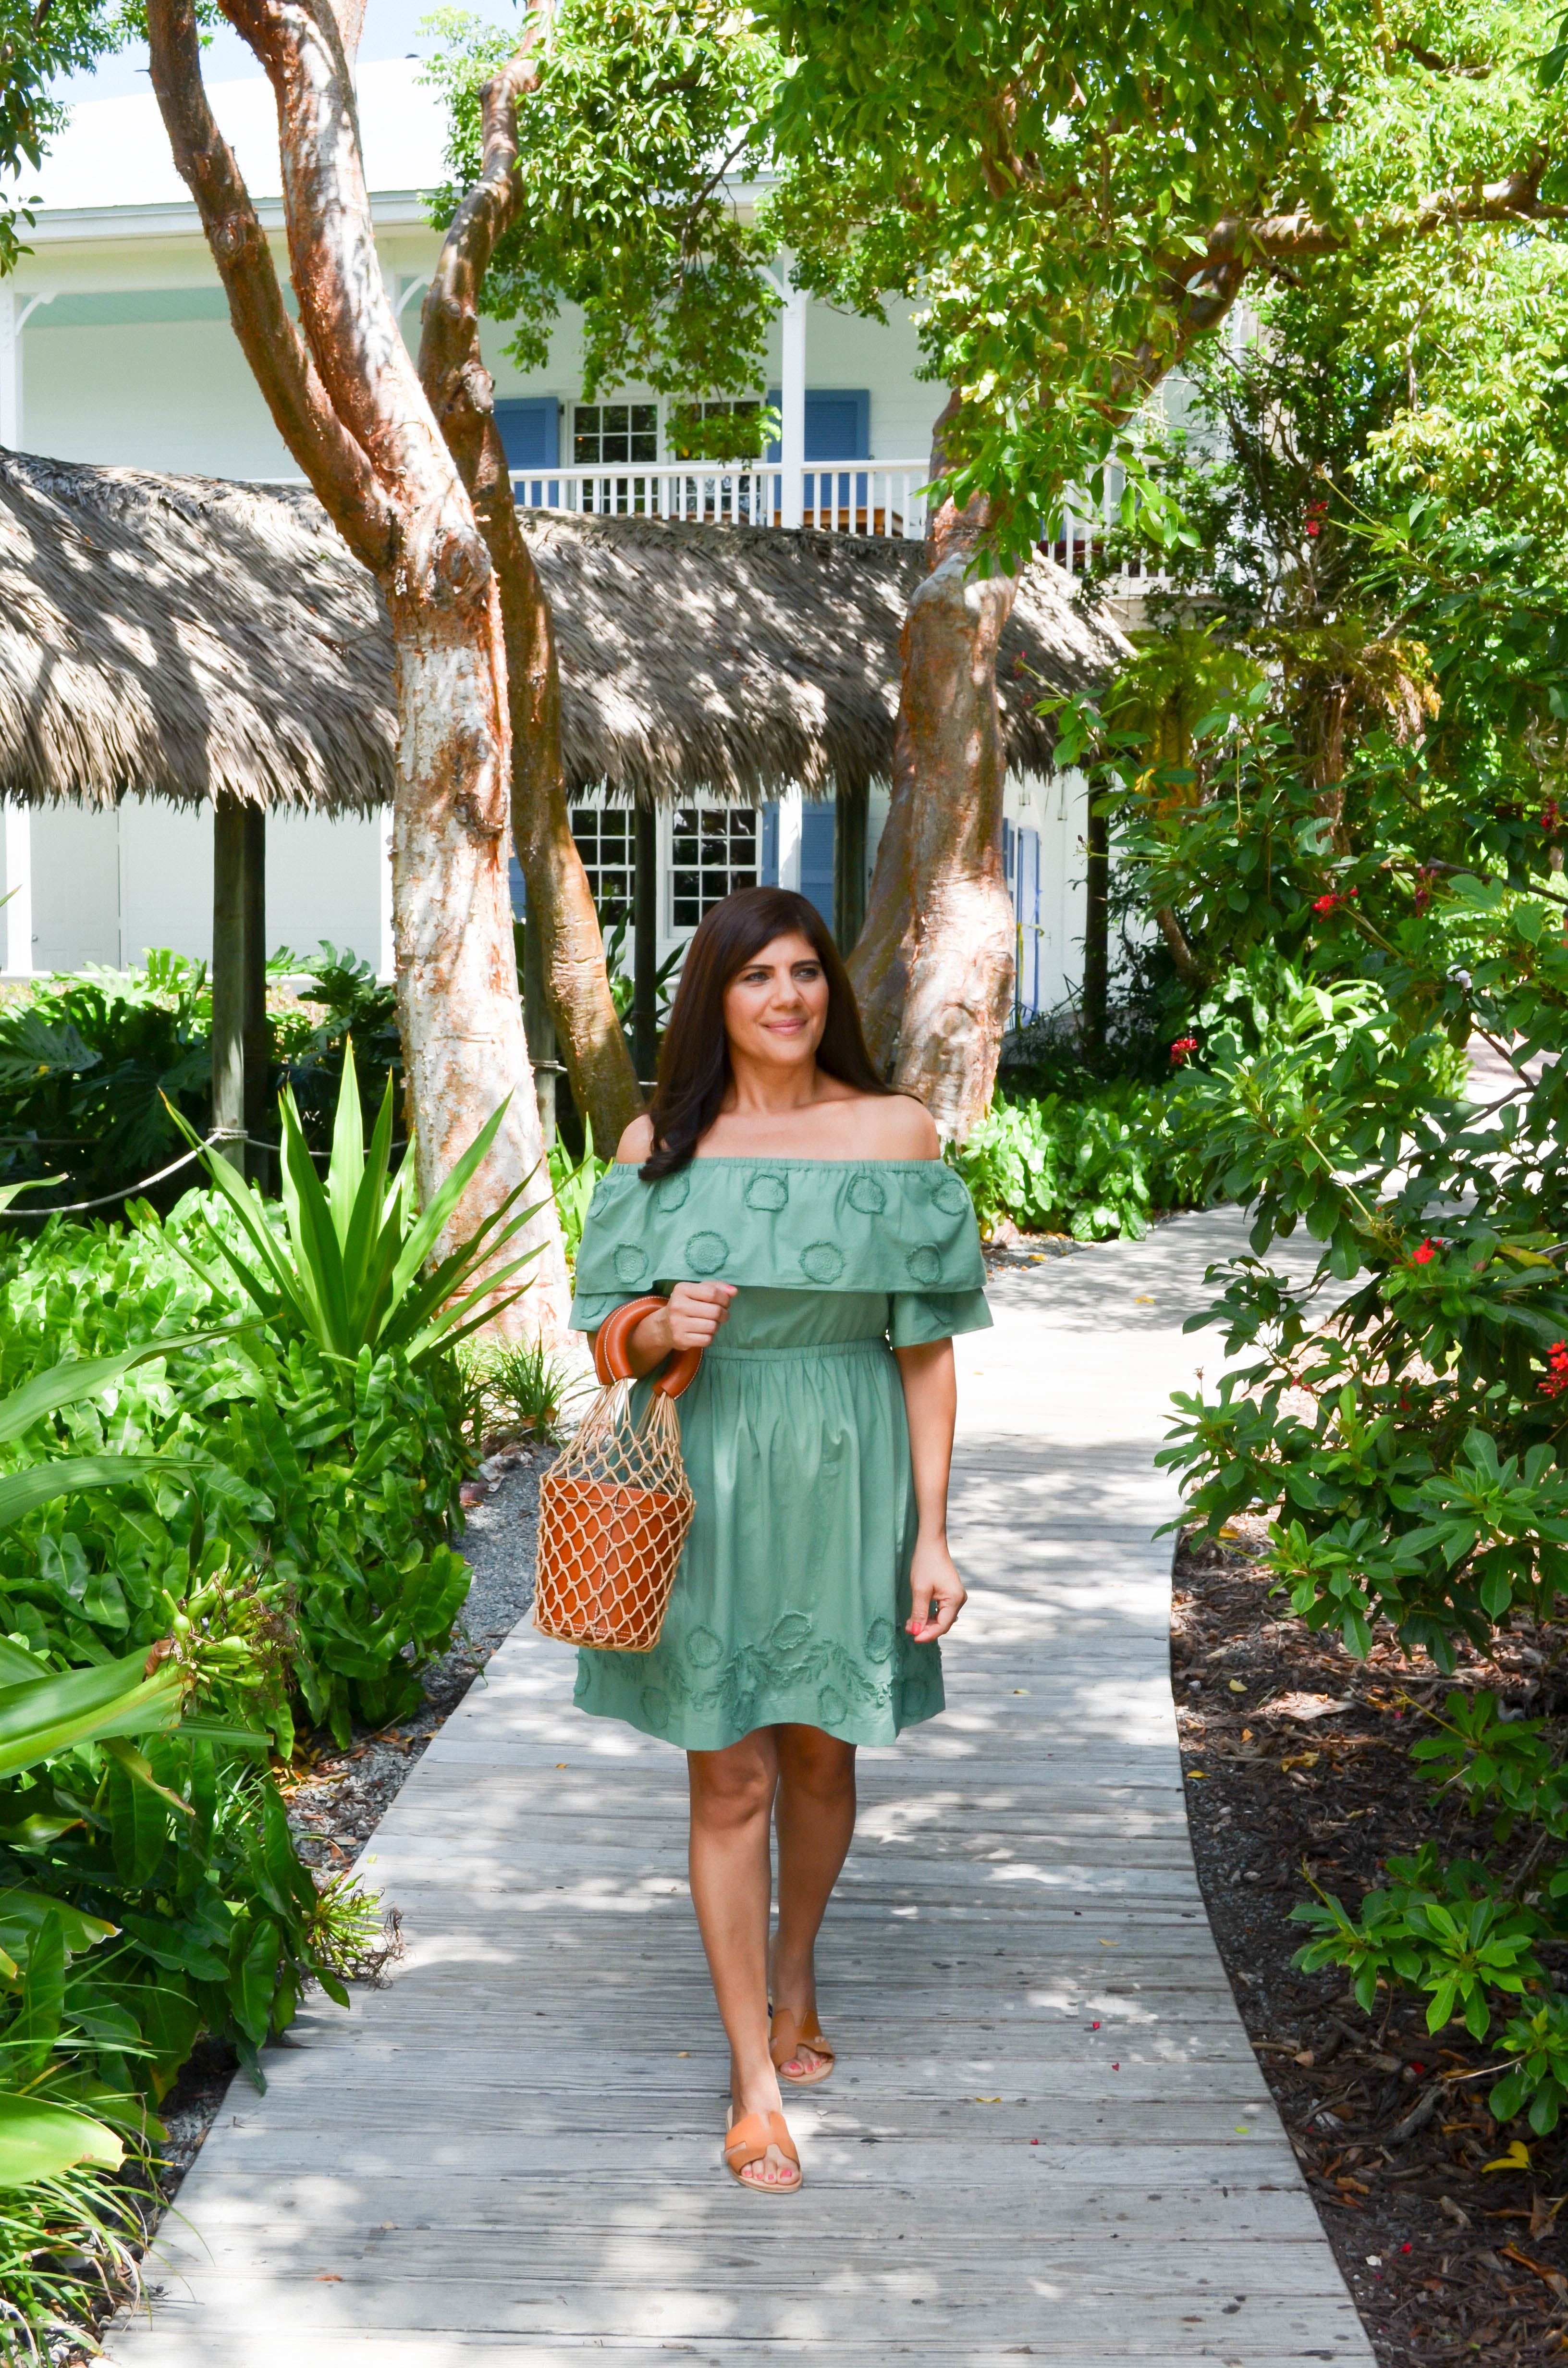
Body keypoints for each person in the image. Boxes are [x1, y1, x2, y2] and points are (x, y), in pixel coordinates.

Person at [567, 884, 990, 2193]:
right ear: (719, 999)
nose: (790, 997)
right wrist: (661, 1330)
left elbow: (924, 1354)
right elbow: (605, 1340)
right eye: (759, 978)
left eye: (807, 973)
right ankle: (752, 2079)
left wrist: (934, 1534)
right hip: (709, 1466)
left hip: (849, 1463)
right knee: (728, 1770)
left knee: (817, 1750)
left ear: (831, 993)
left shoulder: (895, 1135)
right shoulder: (661, 1141)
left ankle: (795, 1968)